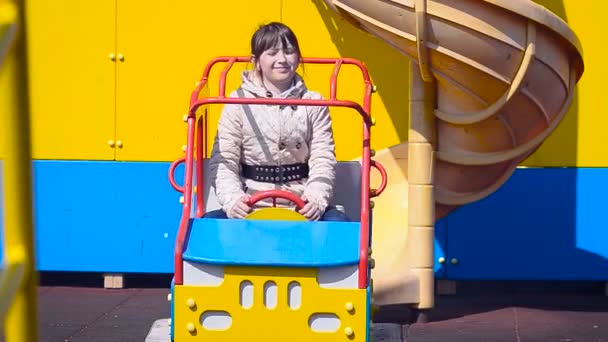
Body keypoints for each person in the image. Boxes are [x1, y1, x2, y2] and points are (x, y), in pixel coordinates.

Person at [204, 22, 349, 222]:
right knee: (203, 230)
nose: (282, 60)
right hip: (250, 204)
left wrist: (315, 198)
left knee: (342, 227)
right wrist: (233, 200)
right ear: (256, 61)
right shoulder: (237, 102)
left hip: (300, 203)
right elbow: (224, 160)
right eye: (272, 53)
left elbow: (323, 158)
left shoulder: (314, 102)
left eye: (289, 52)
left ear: (298, 59)